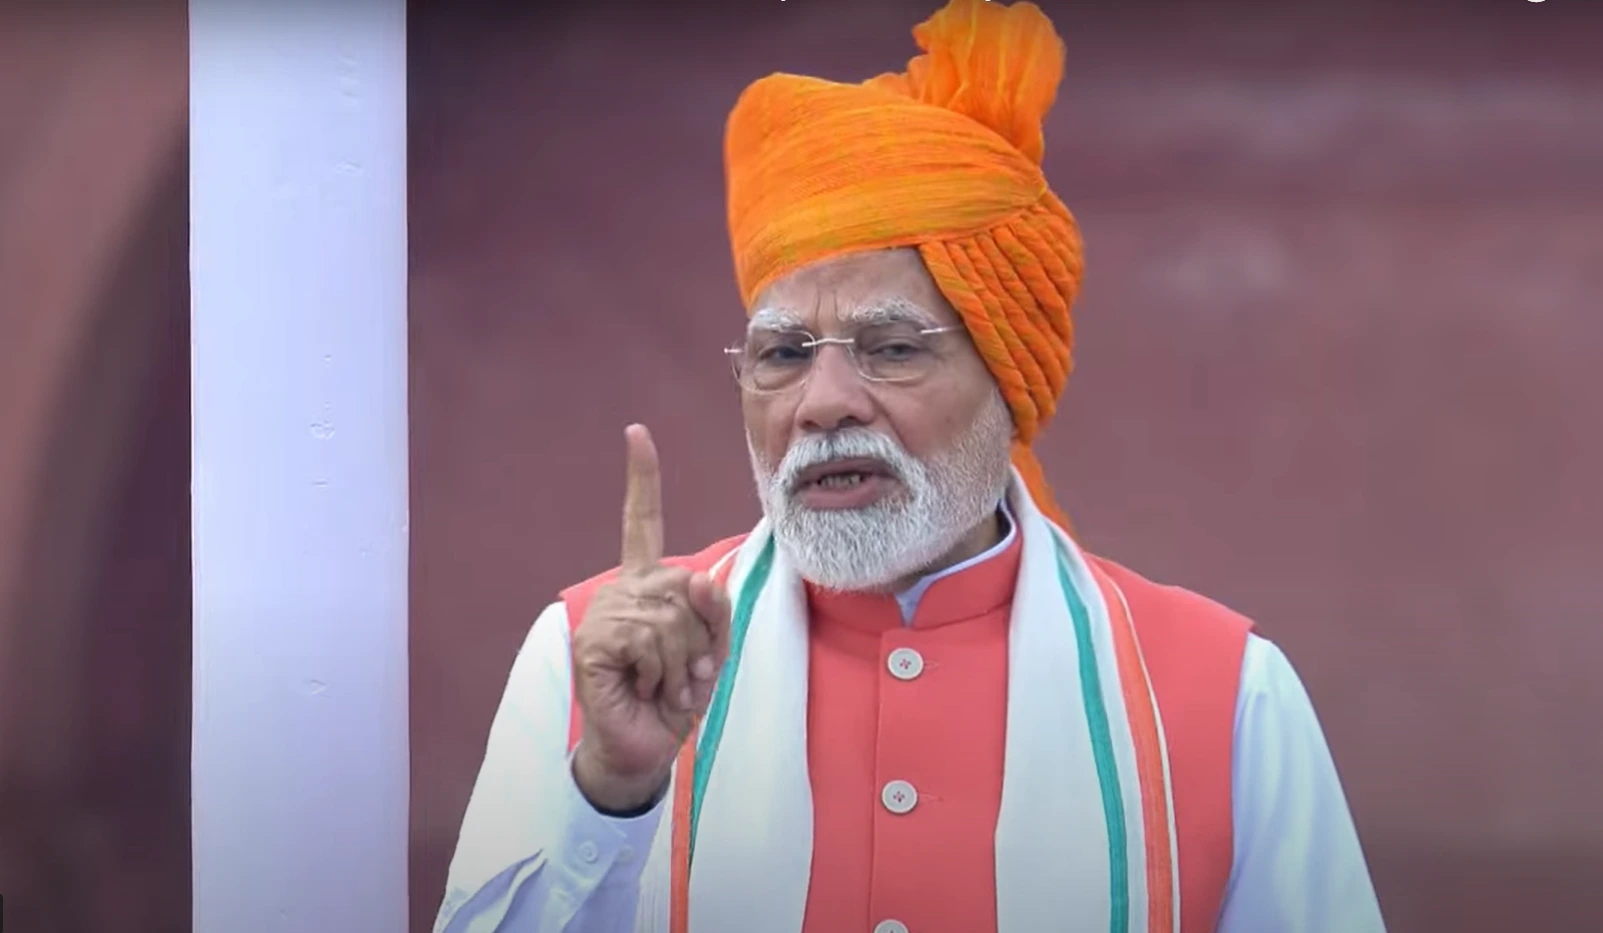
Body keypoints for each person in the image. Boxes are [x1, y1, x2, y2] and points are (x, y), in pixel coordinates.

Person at [432, 1, 1387, 931]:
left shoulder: (1227, 693)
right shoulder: (593, 658)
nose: (823, 402)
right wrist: (610, 791)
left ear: (1007, 377)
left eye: (891, 348)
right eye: (783, 353)